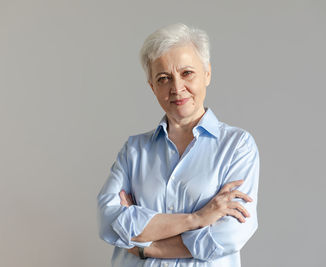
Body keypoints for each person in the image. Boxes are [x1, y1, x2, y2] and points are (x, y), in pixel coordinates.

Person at [97, 23, 260, 267]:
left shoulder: (237, 147)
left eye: (187, 73)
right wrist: (197, 219)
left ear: (207, 73)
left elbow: (228, 236)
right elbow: (108, 222)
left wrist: (147, 247)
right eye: (164, 78)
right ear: (153, 87)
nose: (177, 88)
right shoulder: (134, 151)